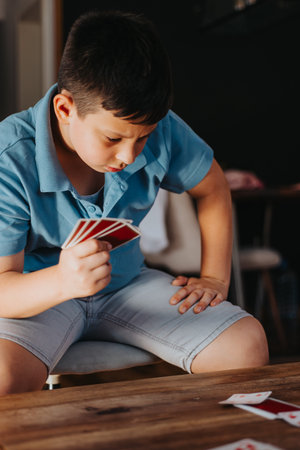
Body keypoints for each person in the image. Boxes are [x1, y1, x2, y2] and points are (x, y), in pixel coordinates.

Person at [0, 10, 268, 396]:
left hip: (128, 285)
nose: (129, 155)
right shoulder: (10, 157)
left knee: (246, 344)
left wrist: (214, 278)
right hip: (38, 295)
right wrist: (61, 281)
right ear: (65, 109)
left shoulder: (156, 126)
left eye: (143, 138)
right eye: (112, 139)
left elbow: (213, 187)